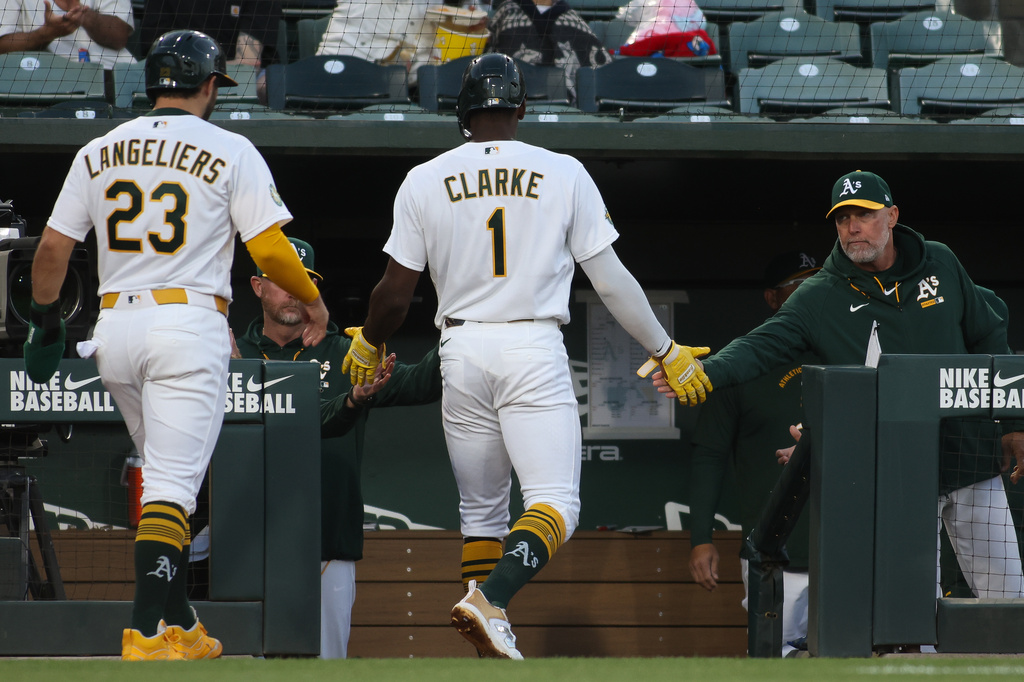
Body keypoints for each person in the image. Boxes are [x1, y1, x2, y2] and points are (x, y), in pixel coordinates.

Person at [339, 53, 712, 659]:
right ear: (520, 108)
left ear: (461, 111)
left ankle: (486, 636)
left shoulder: (423, 177)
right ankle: (492, 602)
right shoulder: (563, 171)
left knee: (481, 510)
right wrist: (664, 349)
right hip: (531, 343)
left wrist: (369, 341)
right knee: (556, 503)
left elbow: (394, 294)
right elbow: (610, 279)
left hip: (459, 345)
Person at [23, 29, 329, 661]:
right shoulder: (231, 147)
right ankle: (143, 634)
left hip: (115, 332)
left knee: (167, 477)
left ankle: (182, 625)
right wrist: (317, 301)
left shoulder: (99, 148)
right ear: (209, 84)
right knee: (172, 491)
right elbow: (270, 249)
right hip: (186, 327)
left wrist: (46, 323)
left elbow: (52, 249)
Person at [656, 169, 1024, 603]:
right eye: (842, 218)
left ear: (891, 215)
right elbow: (759, 346)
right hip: (896, 466)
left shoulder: (940, 261)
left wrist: (1012, 423)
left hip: (969, 456)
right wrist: (708, 371)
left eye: (864, 215)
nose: (852, 228)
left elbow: (990, 331)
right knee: (910, 602)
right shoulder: (820, 294)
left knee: (1008, 594)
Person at [231, 236, 442, 659]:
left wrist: (463, 324)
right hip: (244, 543)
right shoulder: (233, 353)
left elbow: (424, 382)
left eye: (305, 281)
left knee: (326, 665)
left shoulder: (348, 354)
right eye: (283, 280)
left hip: (327, 542)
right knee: (245, 665)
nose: (295, 291)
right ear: (257, 287)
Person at [687, 250, 821, 658]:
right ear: (771, 298)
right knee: (776, 658)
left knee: (853, 659)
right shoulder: (739, 362)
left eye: (815, 284)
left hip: (848, 546)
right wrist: (700, 539)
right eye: (797, 286)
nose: (807, 293)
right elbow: (708, 455)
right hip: (775, 554)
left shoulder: (845, 348)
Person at [140, 1, 283, 101]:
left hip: (241, 77)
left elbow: (247, 66)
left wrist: (200, 71)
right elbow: (159, 55)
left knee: (267, 84)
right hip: (179, 74)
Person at [486, 0, 611, 103]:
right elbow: (485, 58)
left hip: (563, 110)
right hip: (510, 104)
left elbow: (601, 70)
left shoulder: (572, 19)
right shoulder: (507, 12)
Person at [0, 0, 136, 70]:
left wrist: (84, 15)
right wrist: (45, 34)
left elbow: (119, 36)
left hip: (111, 74)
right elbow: (3, 44)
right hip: (44, 77)